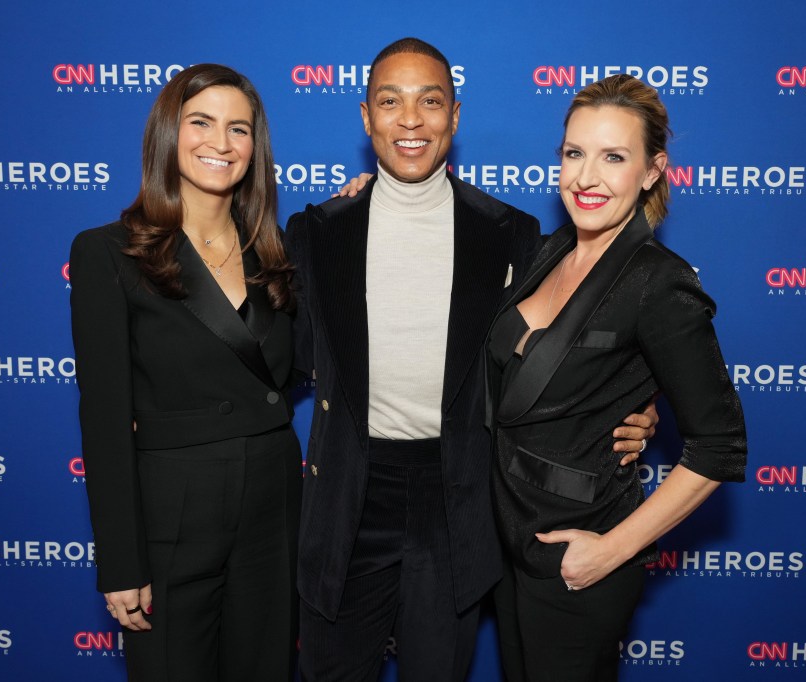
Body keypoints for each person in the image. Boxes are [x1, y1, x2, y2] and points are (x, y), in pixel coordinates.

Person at [285, 39, 657, 682]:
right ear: (366, 116)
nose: (410, 120)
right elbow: (283, 358)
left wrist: (639, 406)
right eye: (390, 102)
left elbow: (580, 336)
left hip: (457, 497)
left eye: (429, 102)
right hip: (348, 493)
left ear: (454, 117)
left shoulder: (511, 233)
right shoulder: (317, 231)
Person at [487, 73, 749, 682]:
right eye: (574, 154)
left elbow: (719, 445)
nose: (586, 177)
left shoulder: (660, 282)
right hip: (506, 540)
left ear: (653, 171)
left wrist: (612, 550)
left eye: (614, 157)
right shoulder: (546, 251)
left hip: (580, 557)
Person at [69, 64, 300, 681]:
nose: (221, 143)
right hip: (172, 513)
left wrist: (360, 208)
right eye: (201, 123)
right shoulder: (109, 253)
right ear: (168, 133)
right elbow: (106, 421)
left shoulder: (280, 253)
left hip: (272, 509)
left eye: (239, 129)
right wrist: (121, 562)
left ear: (256, 147)